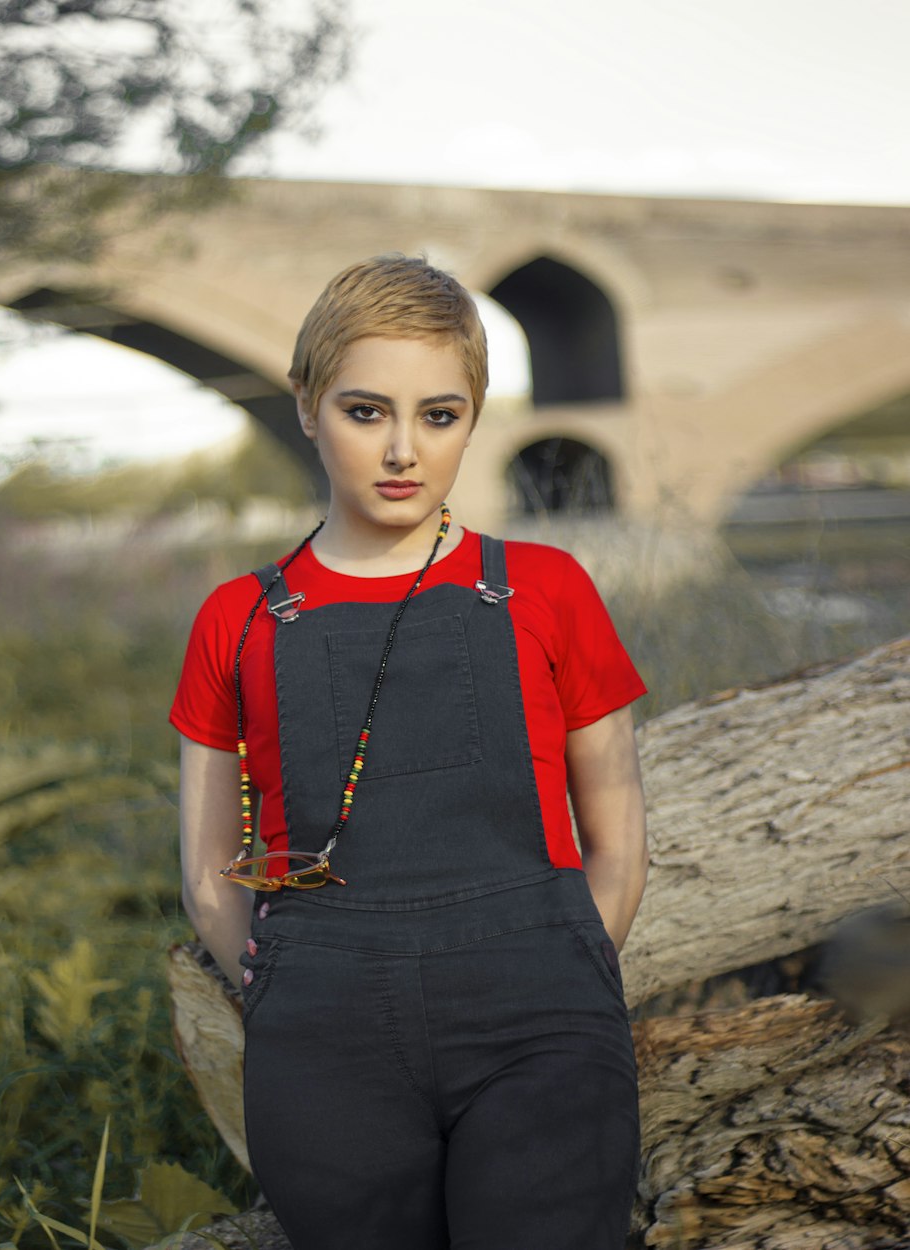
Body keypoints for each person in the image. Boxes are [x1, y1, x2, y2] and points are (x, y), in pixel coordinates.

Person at [171, 255, 649, 1250]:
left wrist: (562, 964)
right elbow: (210, 866)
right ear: (306, 406)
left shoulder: (548, 587)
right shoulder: (239, 616)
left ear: (473, 416)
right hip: (325, 1033)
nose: (401, 449)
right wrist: (281, 987)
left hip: (540, 1017)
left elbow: (617, 832)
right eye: (364, 411)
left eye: (438, 414)